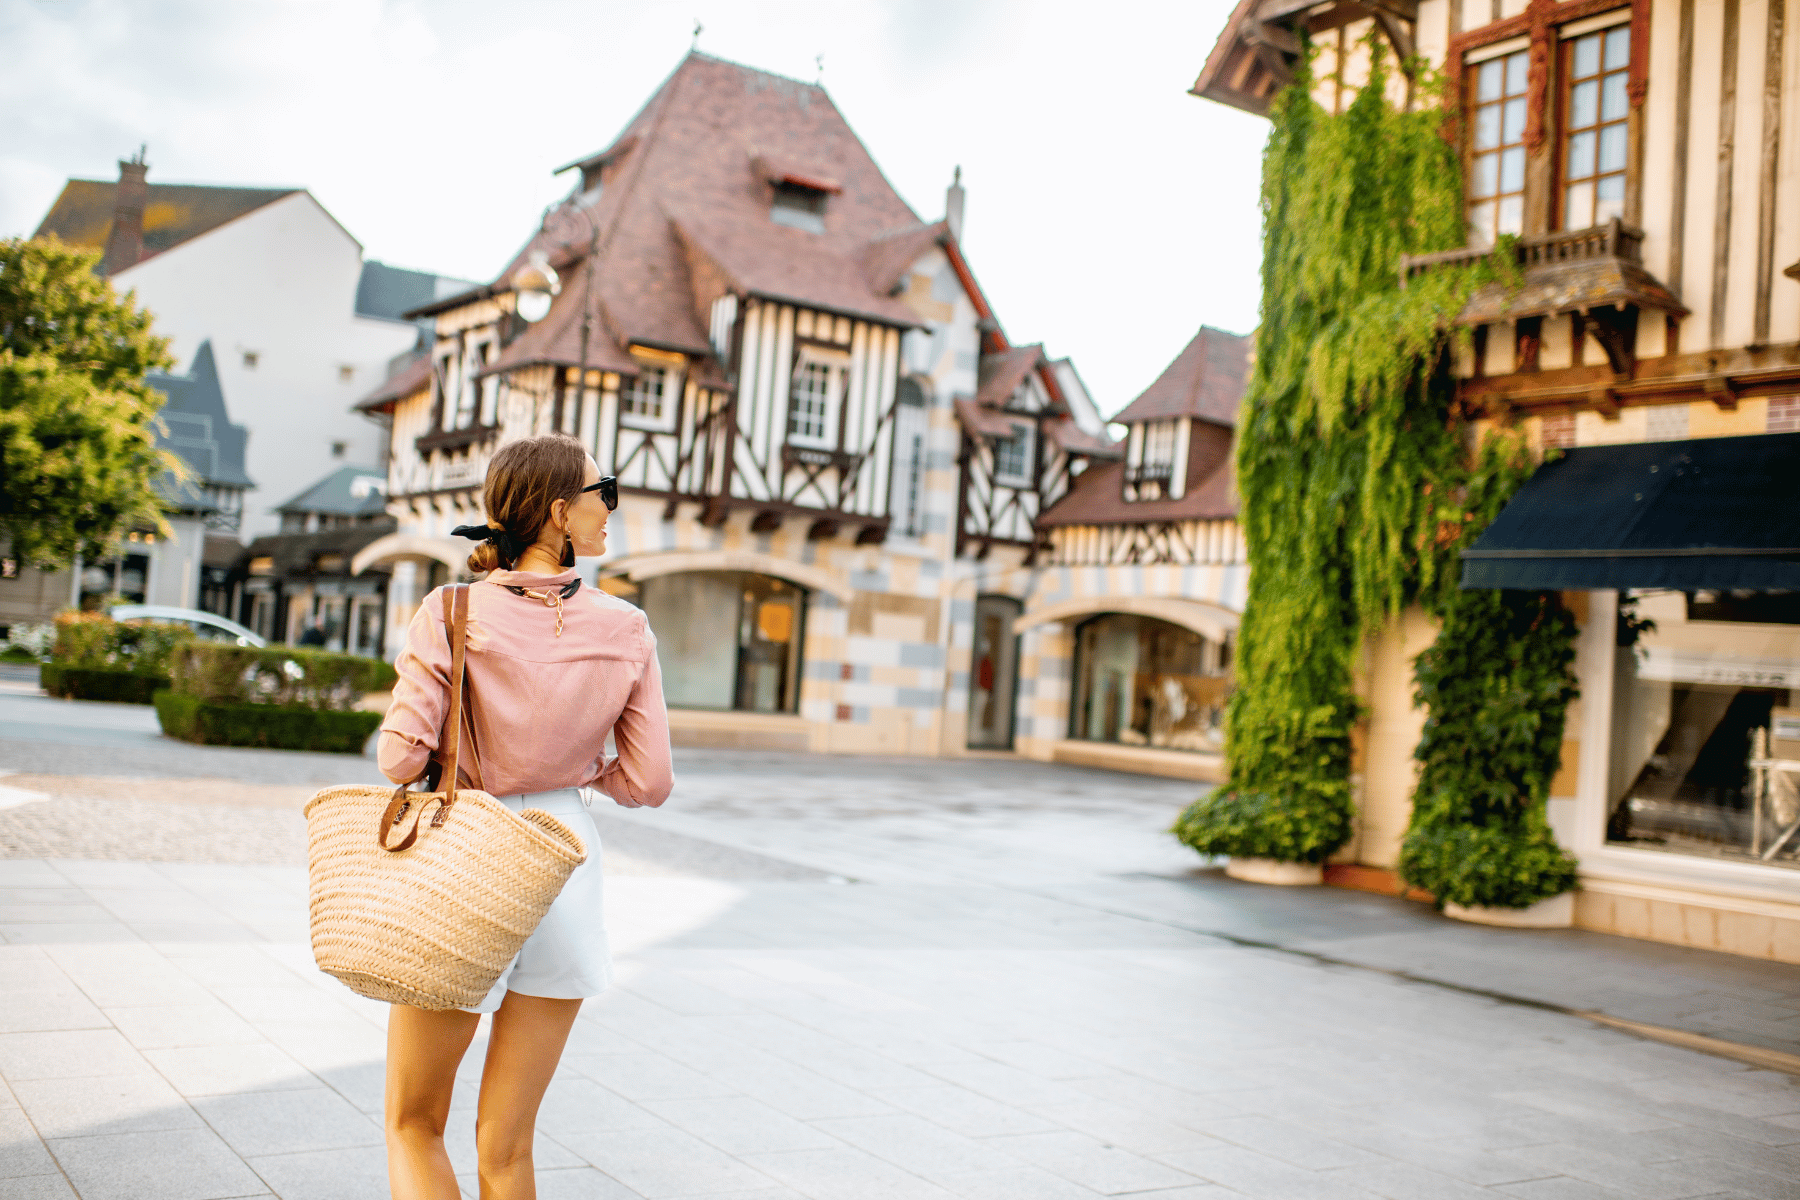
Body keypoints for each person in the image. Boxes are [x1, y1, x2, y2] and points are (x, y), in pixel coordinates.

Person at [375, 434, 672, 1200]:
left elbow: (400, 760)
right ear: (556, 511)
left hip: (468, 853)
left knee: (413, 1123)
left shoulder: (450, 609)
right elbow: (648, 781)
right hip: (566, 857)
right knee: (507, 1147)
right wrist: (576, 768)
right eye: (601, 490)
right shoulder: (629, 626)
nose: (610, 504)